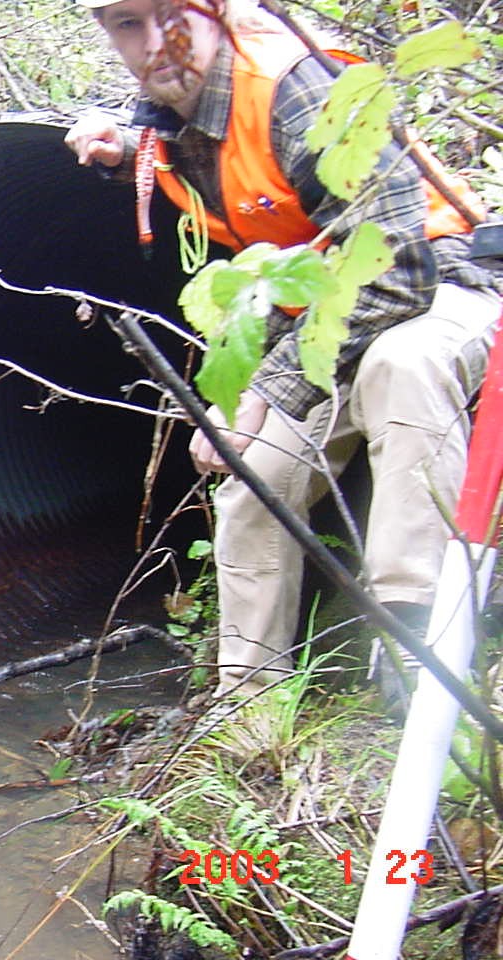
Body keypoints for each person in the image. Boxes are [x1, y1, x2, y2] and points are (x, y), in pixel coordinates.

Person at [65, 0, 503, 703]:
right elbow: (215, 163)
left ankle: (417, 642)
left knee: (401, 366)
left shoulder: (297, 91)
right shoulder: (171, 112)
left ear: (217, 12)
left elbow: (401, 272)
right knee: (257, 473)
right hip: (325, 317)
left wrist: (264, 389)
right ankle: (248, 704)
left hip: (438, 284)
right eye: (125, 24)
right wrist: (121, 149)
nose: (154, 44)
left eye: (169, 16)